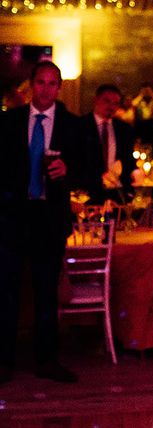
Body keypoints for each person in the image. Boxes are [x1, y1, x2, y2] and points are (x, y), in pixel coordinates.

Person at [0, 60, 80, 384]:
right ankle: (4, 362)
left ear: (59, 88)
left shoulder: (72, 126)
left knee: (47, 293)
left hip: (49, 219)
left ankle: (47, 360)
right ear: (31, 85)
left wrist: (67, 171)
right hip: (12, 219)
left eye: (52, 84)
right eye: (41, 83)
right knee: (6, 292)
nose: (46, 89)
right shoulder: (9, 122)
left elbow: (90, 169)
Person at [78, 84, 135, 204]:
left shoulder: (124, 129)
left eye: (116, 103)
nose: (111, 106)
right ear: (96, 100)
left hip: (118, 193)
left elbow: (128, 161)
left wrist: (135, 173)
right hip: (89, 193)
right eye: (107, 101)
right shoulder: (80, 126)